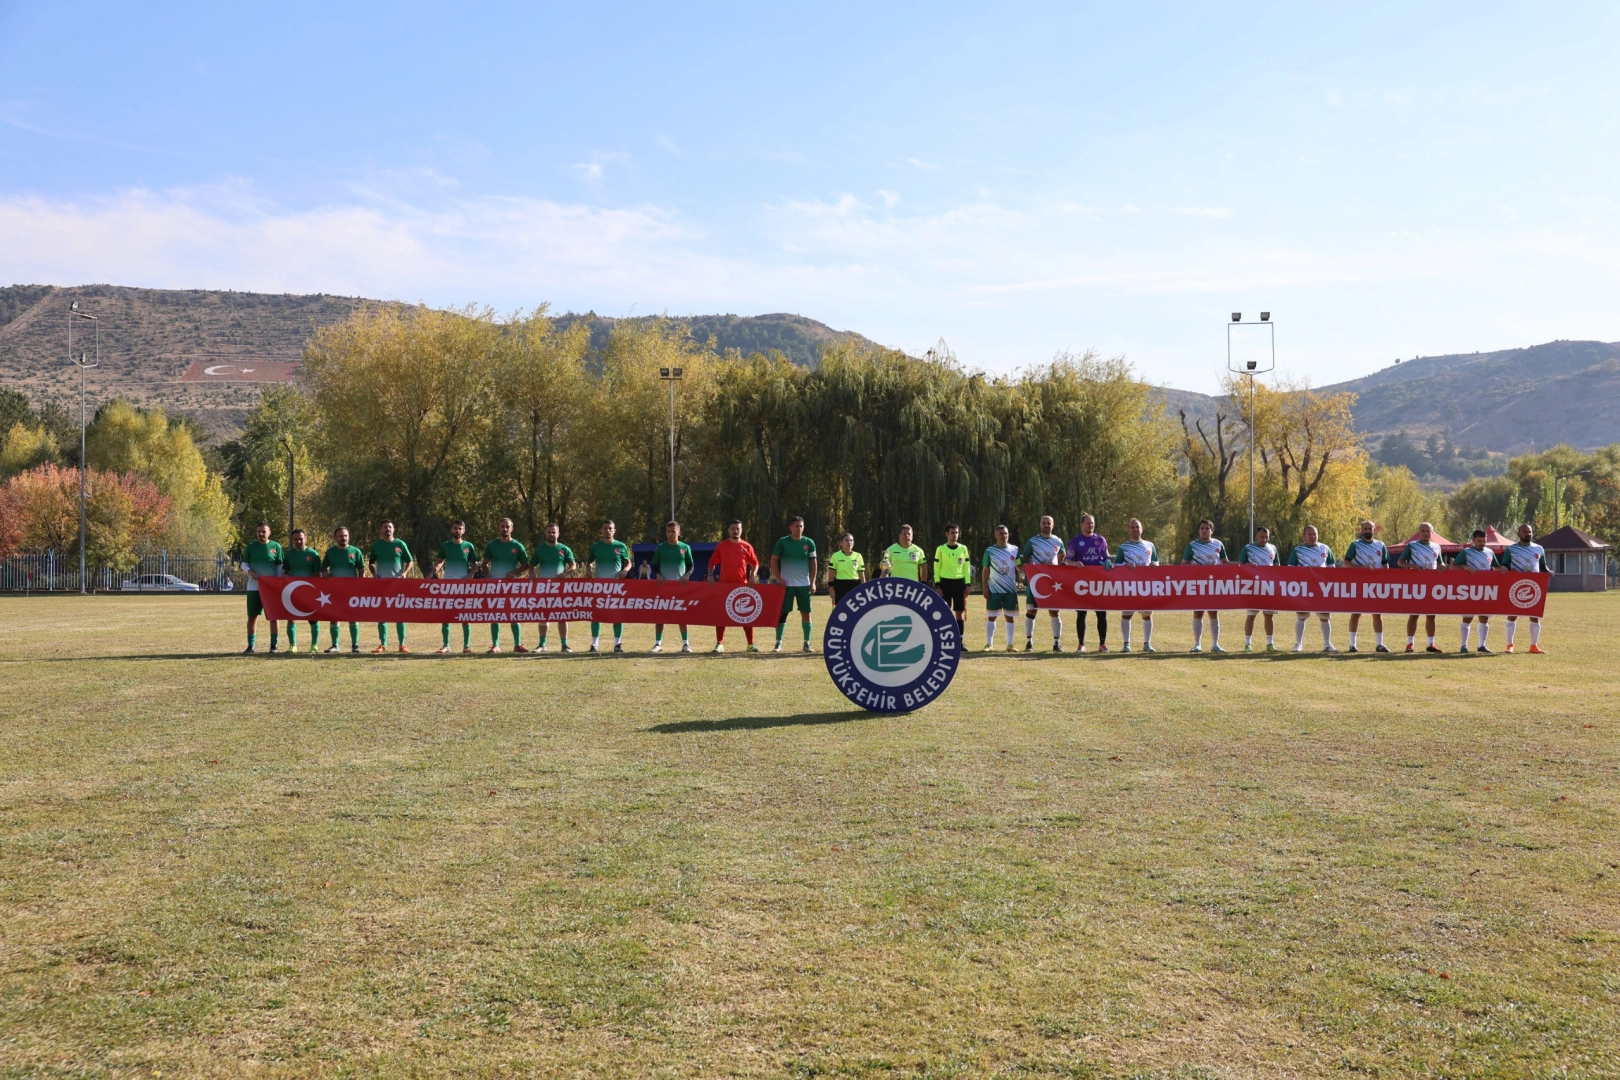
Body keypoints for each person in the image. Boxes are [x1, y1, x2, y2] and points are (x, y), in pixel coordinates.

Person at [1286, 524, 1338, 653]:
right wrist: (1304, 571)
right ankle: (1298, 644)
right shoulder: (1298, 550)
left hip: (1321, 588)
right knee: (1301, 616)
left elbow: (1332, 568)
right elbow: (1290, 569)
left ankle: (1327, 644)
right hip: (1303, 588)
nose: (1312, 536)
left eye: (1314, 534)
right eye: (1309, 534)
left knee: (1325, 616)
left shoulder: (1325, 548)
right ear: (1304, 536)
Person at [711, 519, 761, 652]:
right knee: (722, 615)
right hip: (724, 586)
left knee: (746, 614)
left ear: (741, 530)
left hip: (742, 586)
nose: (735, 531)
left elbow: (755, 563)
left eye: (738, 528)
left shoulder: (747, 546)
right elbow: (712, 562)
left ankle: (751, 644)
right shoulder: (722, 546)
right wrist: (710, 575)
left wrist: (752, 575)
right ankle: (719, 643)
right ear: (728, 530)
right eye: (733, 528)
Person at [482, 517, 530, 654]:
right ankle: (495, 645)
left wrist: (514, 572)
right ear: (499, 528)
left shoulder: (518, 546)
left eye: (507, 527)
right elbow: (484, 563)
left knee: (514, 614)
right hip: (495, 585)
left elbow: (526, 564)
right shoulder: (491, 545)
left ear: (512, 528)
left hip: (512, 585)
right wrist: (487, 575)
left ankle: (517, 645)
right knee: (495, 614)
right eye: (502, 526)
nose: (505, 529)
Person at [1499, 523, 1549, 654]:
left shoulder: (1539, 548)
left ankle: (1534, 645)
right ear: (1518, 534)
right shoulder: (1511, 549)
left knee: (1534, 616)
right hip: (1516, 585)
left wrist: (1549, 572)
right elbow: (1504, 565)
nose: (1528, 534)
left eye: (1530, 531)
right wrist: (1506, 569)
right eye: (1525, 531)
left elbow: (1543, 567)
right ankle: (1509, 645)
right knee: (1512, 615)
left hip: (1534, 585)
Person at [1063, 514, 1110, 652]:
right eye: (1088, 523)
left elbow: (1106, 556)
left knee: (1101, 613)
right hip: (1081, 582)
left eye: (1092, 523)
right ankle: (1081, 644)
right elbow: (1067, 561)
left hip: (1099, 582)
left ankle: (1102, 644)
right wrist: (1074, 563)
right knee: (1081, 613)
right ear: (1082, 525)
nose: (1091, 526)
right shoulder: (1075, 541)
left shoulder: (1101, 540)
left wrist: (1107, 562)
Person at [770, 516, 818, 653]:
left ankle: (807, 644)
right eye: (796, 526)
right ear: (790, 527)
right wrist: (778, 578)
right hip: (786, 585)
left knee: (806, 613)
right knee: (783, 613)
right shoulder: (783, 542)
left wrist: (813, 582)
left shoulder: (809, 543)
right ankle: (778, 643)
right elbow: (773, 560)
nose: (799, 529)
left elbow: (814, 563)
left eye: (801, 526)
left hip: (804, 585)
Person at [1396, 521, 1444, 653]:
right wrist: (1411, 566)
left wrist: (1442, 566)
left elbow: (1440, 562)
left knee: (1431, 615)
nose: (1426, 533)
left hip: (1432, 584)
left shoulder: (1437, 547)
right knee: (1414, 614)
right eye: (1423, 531)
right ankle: (1410, 643)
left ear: (1432, 533)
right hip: (1416, 584)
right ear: (1419, 532)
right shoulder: (1412, 546)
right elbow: (1400, 562)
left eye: (1428, 531)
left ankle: (1431, 644)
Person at [1112, 518, 1159, 653]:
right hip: (1129, 585)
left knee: (1147, 613)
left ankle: (1147, 643)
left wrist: (1155, 564)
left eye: (1137, 527)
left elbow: (1156, 561)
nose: (1135, 530)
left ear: (1141, 529)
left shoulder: (1150, 545)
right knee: (1127, 613)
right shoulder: (1123, 547)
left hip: (1146, 584)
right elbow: (1116, 565)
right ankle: (1126, 644)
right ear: (1128, 530)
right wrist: (1125, 565)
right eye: (1132, 527)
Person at [1181, 519, 1228, 653]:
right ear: (1199, 530)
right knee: (1198, 612)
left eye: (1207, 528)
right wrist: (1195, 567)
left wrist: (1239, 566)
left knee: (1213, 612)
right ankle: (1197, 644)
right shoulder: (1192, 546)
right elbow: (1183, 565)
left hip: (1214, 583)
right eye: (1202, 528)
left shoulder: (1218, 544)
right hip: (1197, 583)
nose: (1204, 530)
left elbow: (1225, 562)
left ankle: (1215, 645)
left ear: (1212, 531)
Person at [1343, 519, 1390, 653]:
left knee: (1377, 614)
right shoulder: (1355, 545)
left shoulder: (1381, 545)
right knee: (1356, 613)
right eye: (1366, 529)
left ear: (1375, 530)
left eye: (1370, 529)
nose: (1368, 531)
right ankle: (1352, 645)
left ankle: (1380, 644)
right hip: (1359, 583)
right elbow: (1346, 563)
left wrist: (1384, 575)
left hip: (1376, 585)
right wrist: (1361, 569)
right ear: (1361, 530)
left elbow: (1386, 564)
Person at [433, 519, 479, 654]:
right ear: (451, 530)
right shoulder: (446, 546)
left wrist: (470, 574)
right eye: (455, 528)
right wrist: (432, 573)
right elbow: (440, 562)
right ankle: (446, 645)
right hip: (448, 585)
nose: (457, 531)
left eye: (460, 529)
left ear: (464, 531)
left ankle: (467, 646)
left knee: (465, 616)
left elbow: (475, 563)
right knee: (446, 616)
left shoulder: (468, 546)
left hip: (463, 586)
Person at [531, 522, 577, 653]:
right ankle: (542, 644)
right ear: (545, 533)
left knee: (561, 616)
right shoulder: (540, 549)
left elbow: (573, 565)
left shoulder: (564, 549)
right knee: (543, 616)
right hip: (543, 588)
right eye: (549, 532)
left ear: (558, 534)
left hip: (560, 588)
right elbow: (531, 564)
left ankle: (564, 645)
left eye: (553, 532)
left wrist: (565, 573)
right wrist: (532, 572)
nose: (551, 534)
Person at [587, 519, 633, 653]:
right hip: (599, 586)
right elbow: (589, 562)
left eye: (610, 528)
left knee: (617, 614)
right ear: (601, 530)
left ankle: (617, 644)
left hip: (616, 586)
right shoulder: (595, 547)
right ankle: (594, 644)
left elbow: (628, 563)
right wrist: (588, 569)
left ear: (614, 530)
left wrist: (625, 570)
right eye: (605, 528)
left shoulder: (621, 546)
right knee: (596, 614)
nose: (607, 530)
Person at [369, 520, 414, 653]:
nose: (387, 529)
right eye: (385, 527)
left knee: (399, 615)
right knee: (382, 614)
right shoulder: (376, 545)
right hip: (382, 584)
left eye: (390, 527)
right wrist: (373, 572)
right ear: (380, 530)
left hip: (398, 585)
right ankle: (382, 644)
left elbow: (410, 560)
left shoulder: (400, 544)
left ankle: (402, 644)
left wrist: (405, 573)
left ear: (393, 529)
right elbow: (371, 562)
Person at [1021, 515, 1065, 652]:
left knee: (1054, 611)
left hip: (1052, 582)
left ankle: (1056, 643)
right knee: (1031, 610)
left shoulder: (1058, 541)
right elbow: (1026, 559)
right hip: (1036, 581)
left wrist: (1053, 566)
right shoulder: (1032, 541)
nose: (1046, 525)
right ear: (1040, 525)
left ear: (1053, 525)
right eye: (1044, 523)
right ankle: (1029, 642)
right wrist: (1033, 568)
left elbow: (1062, 555)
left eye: (1049, 523)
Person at [321, 526, 366, 653]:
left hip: (352, 591)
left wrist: (360, 585)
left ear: (348, 536)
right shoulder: (330, 552)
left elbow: (361, 570)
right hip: (335, 590)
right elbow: (324, 567)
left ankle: (355, 645)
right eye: (340, 536)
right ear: (335, 538)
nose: (343, 538)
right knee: (334, 617)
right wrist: (324, 572)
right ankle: (335, 645)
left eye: (345, 535)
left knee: (353, 616)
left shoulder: (356, 551)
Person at [241, 521, 283, 654]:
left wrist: (277, 584)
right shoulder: (251, 547)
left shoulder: (275, 546)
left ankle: (274, 646)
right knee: (252, 617)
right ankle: (251, 646)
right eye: (259, 531)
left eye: (264, 531)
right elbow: (243, 564)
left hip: (270, 590)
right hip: (254, 588)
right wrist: (251, 572)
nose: (261, 534)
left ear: (269, 533)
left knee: (273, 617)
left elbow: (279, 567)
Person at [652, 520, 695, 653]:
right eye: (668, 532)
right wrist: (658, 574)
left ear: (679, 533)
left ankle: (685, 644)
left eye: (673, 531)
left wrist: (687, 575)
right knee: (660, 616)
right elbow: (654, 564)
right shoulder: (661, 547)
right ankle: (658, 643)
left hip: (680, 588)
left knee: (682, 615)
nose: (670, 534)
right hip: (663, 587)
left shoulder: (685, 547)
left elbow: (691, 565)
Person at [1452, 528, 1496, 654]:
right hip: (1470, 589)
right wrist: (1464, 566)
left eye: (1484, 540)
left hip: (1486, 589)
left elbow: (1496, 567)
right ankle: (1463, 645)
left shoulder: (1490, 552)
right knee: (1467, 617)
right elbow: (1453, 566)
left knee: (1484, 617)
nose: (1482, 543)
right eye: (1479, 541)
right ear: (1473, 540)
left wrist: (1502, 568)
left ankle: (1482, 645)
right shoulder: (1466, 552)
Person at [280, 528, 323, 653]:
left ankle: (314, 645)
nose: (298, 541)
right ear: (292, 540)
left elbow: (317, 574)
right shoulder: (289, 555)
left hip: (310, 591)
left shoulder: (314, 555)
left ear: (306, 538)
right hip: (293, 591)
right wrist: (286, 576)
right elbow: (286, 572)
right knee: (291, 617)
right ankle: (292, 645)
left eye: (300, 538)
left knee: (313, 617)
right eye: (295, 539)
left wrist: (315, 591)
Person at [981, 524, 1022, 651]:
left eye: (1005, 533)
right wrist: (985, 587)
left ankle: (1010, 644)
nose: (1003, 536)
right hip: (994, 589)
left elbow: (1019, 567)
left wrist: (1030, 567)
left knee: (1009, 616)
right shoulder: (990, 551)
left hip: (1010, 589)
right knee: (992, 616)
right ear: (995, 536)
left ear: (1008, 535)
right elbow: (985, 570)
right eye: (1000, 534)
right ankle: (989, 644)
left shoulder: (1015, 549)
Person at [1239, 525, 1279, 652]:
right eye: (1262, 537)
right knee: (1251, 615)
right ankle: (1247, 643)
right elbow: (1240, 565)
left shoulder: (1273, 548)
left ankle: (1270, 643)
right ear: (1256, 536)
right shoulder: (1248, 548)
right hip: (1252, 586)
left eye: (1266, 537)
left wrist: (1276, 569)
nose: (1264, 539)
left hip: (1268, 586)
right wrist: (1249, 566)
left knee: (1269, 615)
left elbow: (1277, 565)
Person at [934, 523, 972, 638]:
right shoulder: (940, 549)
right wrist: (937, 585)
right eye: (952, 533)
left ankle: (960, 640)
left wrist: (968, 583)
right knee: (945, 612)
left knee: (959, 612)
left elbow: (966, 567)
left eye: (957, 532)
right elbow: (937, 567)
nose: (955, 535)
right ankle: (944, 637)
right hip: (945, 583)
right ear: (947, 534)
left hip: (959, 583)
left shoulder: (963, 548)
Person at [824, 532, 866, 604]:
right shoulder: (836, 556)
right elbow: (831, 575)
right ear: (841, 543)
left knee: (855, 609)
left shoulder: (858, 556)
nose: (849, 542)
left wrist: (863, 588)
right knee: (841, 609)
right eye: (846, 540)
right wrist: (831, 590)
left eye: (851, 540)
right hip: (841, 586)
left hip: (855, 585)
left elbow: (862, 575)